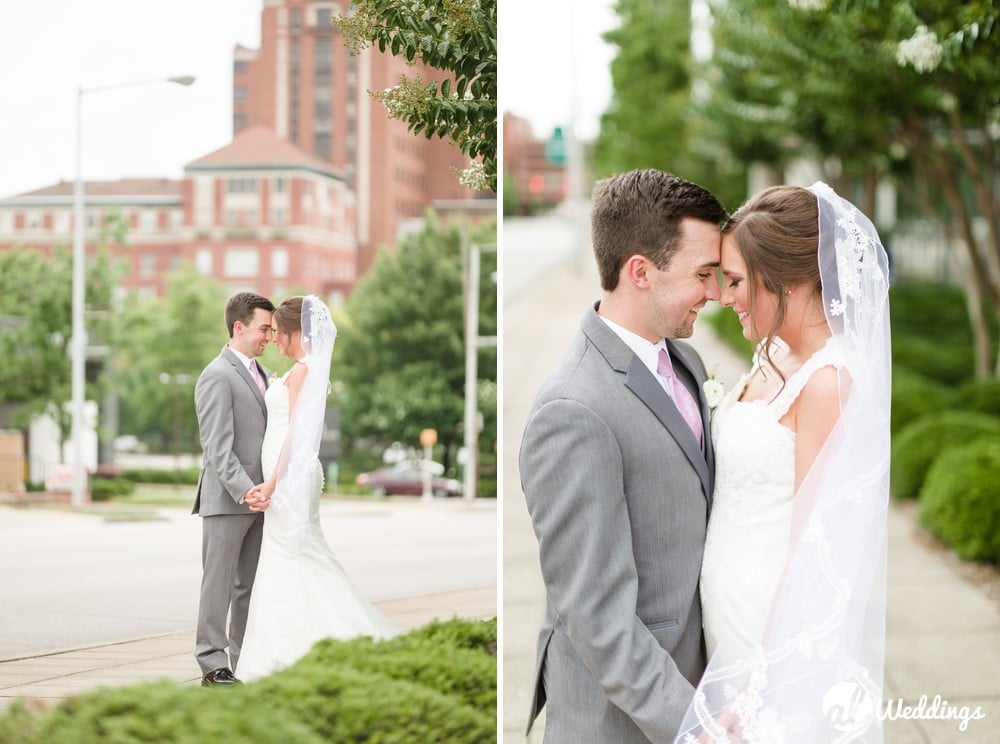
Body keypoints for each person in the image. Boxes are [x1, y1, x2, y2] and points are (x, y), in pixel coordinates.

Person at [677, 183, 891, 742]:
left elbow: (814, 551)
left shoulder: (828, 384)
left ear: (788, 283)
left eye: (738, 281)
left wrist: (758, 691)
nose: (726, 296)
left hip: (768, 630)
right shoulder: (772, 352)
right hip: (723, 617)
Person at [520, 169, 728, 743]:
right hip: (622, 720)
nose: (714, 292)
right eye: (703, 274)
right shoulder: (573, 411)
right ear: (641, 271)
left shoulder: (683, 361)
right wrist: (693, 724)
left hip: (700, 677)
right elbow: (596, 616)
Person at [236, 295, 395, 682]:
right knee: (296, 555)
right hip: (289, 472)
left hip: (288, 474)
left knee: (290, 557)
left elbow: (295, 435)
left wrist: (272, 482)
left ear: (295, 332)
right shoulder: (301, 370)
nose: (273, 339)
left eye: (278, 332)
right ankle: (291, 650)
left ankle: (285, 655)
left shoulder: (304, 371)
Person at [193, 291, 276, 686]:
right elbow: (216, 447)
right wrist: (246, 490)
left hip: (261, 500)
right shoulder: (216, 374)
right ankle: (212, 664)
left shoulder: (262, 374)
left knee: (249, 586)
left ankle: (243, 659)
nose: (270, 337)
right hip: (228, 499)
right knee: (219, 584)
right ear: (239, 327)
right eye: (264, 328)